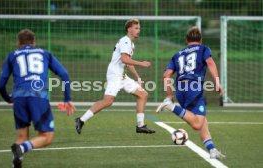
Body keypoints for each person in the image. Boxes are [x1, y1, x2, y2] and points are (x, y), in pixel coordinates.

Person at [0, 29, 76, 168]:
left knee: (21, 137)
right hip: (38, 97)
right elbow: (64, 74)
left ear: (18, 43)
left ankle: (17, 158)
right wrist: (67, 99)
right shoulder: (44, 53)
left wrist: (8, 99)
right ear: (34, 42)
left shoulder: (12, 55)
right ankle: (21, 149)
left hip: (19, 98)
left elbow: (1, 84)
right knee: (46, 136)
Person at [75, 19, 155, 134]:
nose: (139, 30)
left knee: (143, 94)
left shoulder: (130, 43)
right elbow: (124, 59)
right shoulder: (125, 41)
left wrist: (138, 77)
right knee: (108, 101)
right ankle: (81, 120)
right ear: (129, 29)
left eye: (139, 28)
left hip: (122, 76)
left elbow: (127, 62)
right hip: (115, 75)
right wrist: (141, 63)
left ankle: (140, 126)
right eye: (136, 28)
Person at [156, 27, 225, 159]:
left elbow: (166, 75)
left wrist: (170, 96)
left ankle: (212, 150)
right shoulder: (204, 49)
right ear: (201, 39)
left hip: (180, 89)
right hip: (193, 87)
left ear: (186, 40)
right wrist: (217, 82)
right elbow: (210, 62)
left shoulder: (178, 54)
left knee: (202, 121)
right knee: (197, 123)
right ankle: (171, 107)